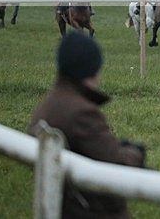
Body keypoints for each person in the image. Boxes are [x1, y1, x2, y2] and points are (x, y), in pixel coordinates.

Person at [29, 31, 146, 218]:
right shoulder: (82, 113)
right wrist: (137, 153)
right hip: (88, 210)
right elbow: (117, 163)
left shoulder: (48, 104)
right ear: (92, 69)